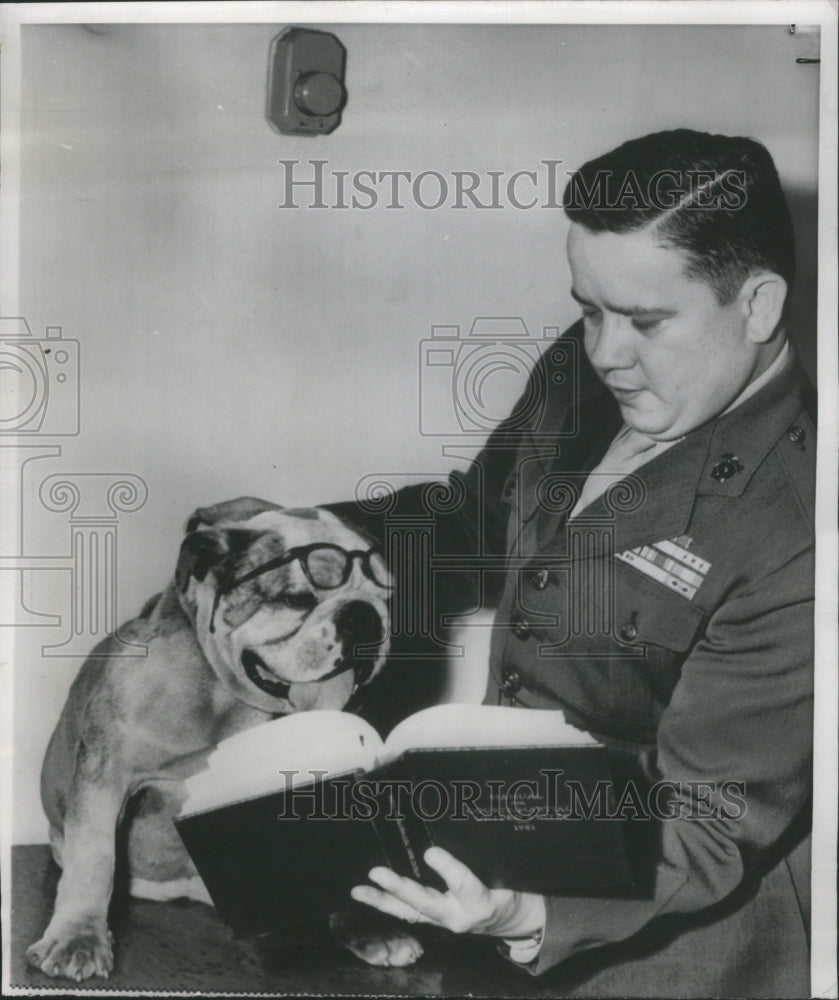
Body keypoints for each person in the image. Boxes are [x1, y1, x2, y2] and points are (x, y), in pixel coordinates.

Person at [207, 130, 815, 997]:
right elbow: (473, 519)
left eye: (644, 321)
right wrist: (303, 542)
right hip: (489, 875)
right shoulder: (586, 368)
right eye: (590, 307)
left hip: (674, 946)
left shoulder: (798, 527)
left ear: (756, 307)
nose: (604, 351)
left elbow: (711, 819)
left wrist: (528, 912)